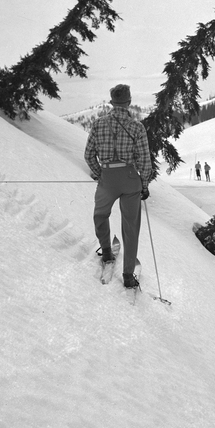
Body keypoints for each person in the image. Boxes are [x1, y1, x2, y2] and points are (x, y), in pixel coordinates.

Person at [84, 84, 152, 288]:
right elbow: (145, 161)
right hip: (130, 178)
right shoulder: (137, 127)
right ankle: (129, 276)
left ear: (112, 102)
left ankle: (106, 253)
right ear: (129, 102)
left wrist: (99, 174)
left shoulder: (98, 124)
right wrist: (145, 184)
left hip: (107, 178)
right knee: (130, 227)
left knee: (100, 215)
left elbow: (88, 155)